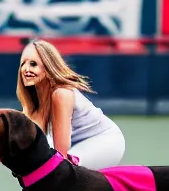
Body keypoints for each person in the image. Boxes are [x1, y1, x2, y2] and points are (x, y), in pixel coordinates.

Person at [17, 40, 126, 168]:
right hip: (76, 144)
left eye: (33, 64)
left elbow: (60, 155)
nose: (26, 69)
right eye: (23, 63)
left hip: (104, 141)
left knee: (61, 169)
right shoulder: (34, 100)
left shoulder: (61, 94)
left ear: (48, 67)